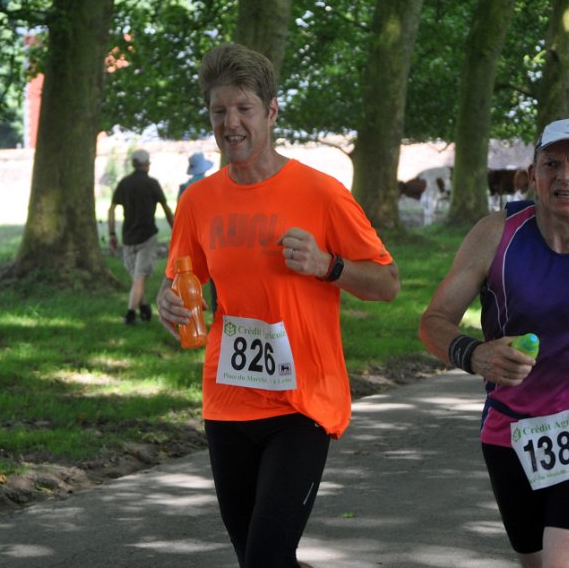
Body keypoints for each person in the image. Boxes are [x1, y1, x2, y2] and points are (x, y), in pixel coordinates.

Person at [155, 42, 399, 568]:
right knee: (257, 557)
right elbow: (180, 282)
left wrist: (327, 264)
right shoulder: (197, 200)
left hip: (302, 404)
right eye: (219, 110)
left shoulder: (321, 193)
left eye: (244, 108)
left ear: (271, 112)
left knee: (265, 557)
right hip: (227, 401)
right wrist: (167, 304)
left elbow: (387, 283)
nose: (231, 123)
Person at [419, 118, 569, 568]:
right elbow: (433, 322)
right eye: (552, 164)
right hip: (511, 429)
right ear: (533, 175)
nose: (565, 176)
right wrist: (475, 355)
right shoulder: (495, 235)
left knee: (562, 564)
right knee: (534, 562)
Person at [108, 149, 175, 325]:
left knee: (137, 277)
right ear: (146, 164)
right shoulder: (152, 183)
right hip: (147, 236)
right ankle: (132, 314)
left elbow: (111, 209)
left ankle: (143, 309)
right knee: (138, 278)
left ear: (133, 164)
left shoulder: (124, 183)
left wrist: (112, 233)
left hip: (128, 237)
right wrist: (175, 229)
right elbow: (166, 208)